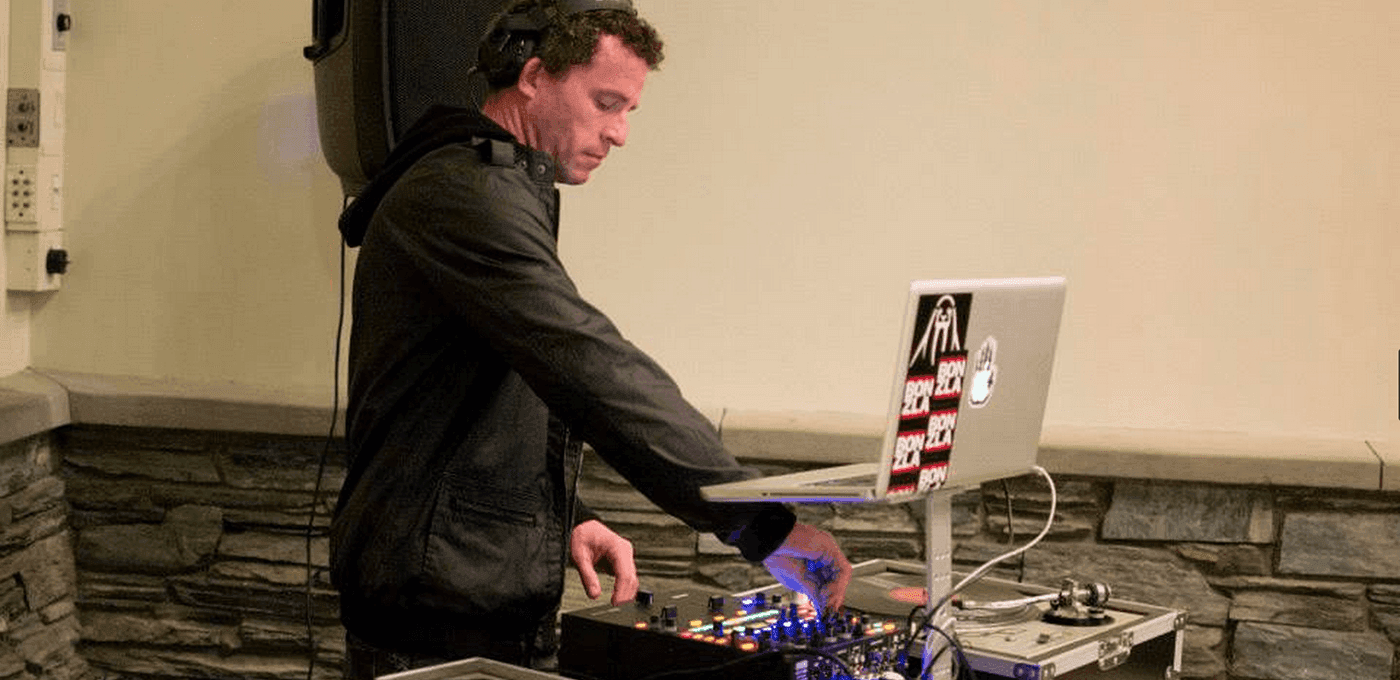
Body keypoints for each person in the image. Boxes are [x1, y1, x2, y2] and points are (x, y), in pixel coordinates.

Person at [329, 1, 853, 677]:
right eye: (607, 102)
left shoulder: (498, 186)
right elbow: (590, 366)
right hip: (433, 620)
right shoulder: (464, 194)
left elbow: (483, 402)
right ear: (535, 76)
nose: (620, 133)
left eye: (629, 109)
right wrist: (764, 527)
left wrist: (566, 514)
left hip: (465, 596)